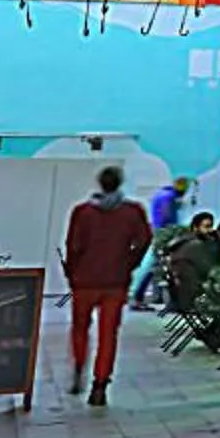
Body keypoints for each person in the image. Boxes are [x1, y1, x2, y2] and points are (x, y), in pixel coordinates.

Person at [62, 166, 151, 408]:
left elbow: (73, 245)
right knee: (108, 334)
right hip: (115, 281)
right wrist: (129, 263)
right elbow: (144, 240)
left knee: (80, 327)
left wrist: (72, 273)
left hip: (85, 281)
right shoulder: (133, 212)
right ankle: (100, 384)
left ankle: (80, 366)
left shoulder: (82, 212)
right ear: (120, 183)